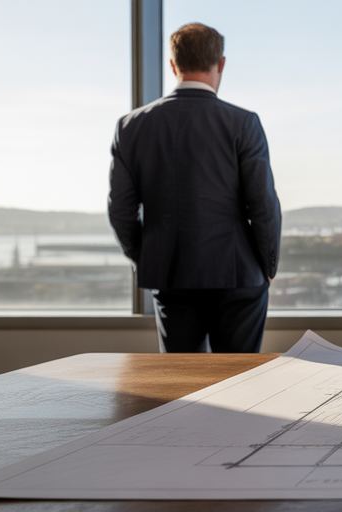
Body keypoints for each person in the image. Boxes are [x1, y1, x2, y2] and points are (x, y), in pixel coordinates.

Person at [108, 23, 280, 353]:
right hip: (237, 272)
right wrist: (268, 264)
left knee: (180, 389)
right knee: (239, 383)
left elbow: (120, 211)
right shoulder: (243, 123)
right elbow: (262, 203)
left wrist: (147, 257)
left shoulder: (130, 127)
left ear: (173, 65)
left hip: (170, 273)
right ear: (221, 63)